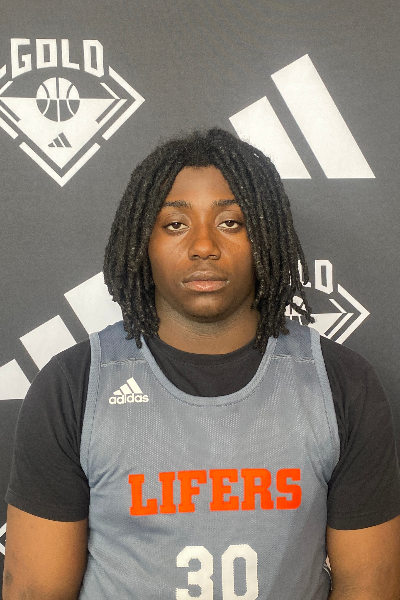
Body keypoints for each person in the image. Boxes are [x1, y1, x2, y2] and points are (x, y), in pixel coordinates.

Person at [3, 128, 400, 600]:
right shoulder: (74, 385)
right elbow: (34, 590)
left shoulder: (341, 383)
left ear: (265, 236)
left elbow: (370, 584)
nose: (204, 245)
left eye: (231, 222)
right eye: (175, 224)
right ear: (142, 242)